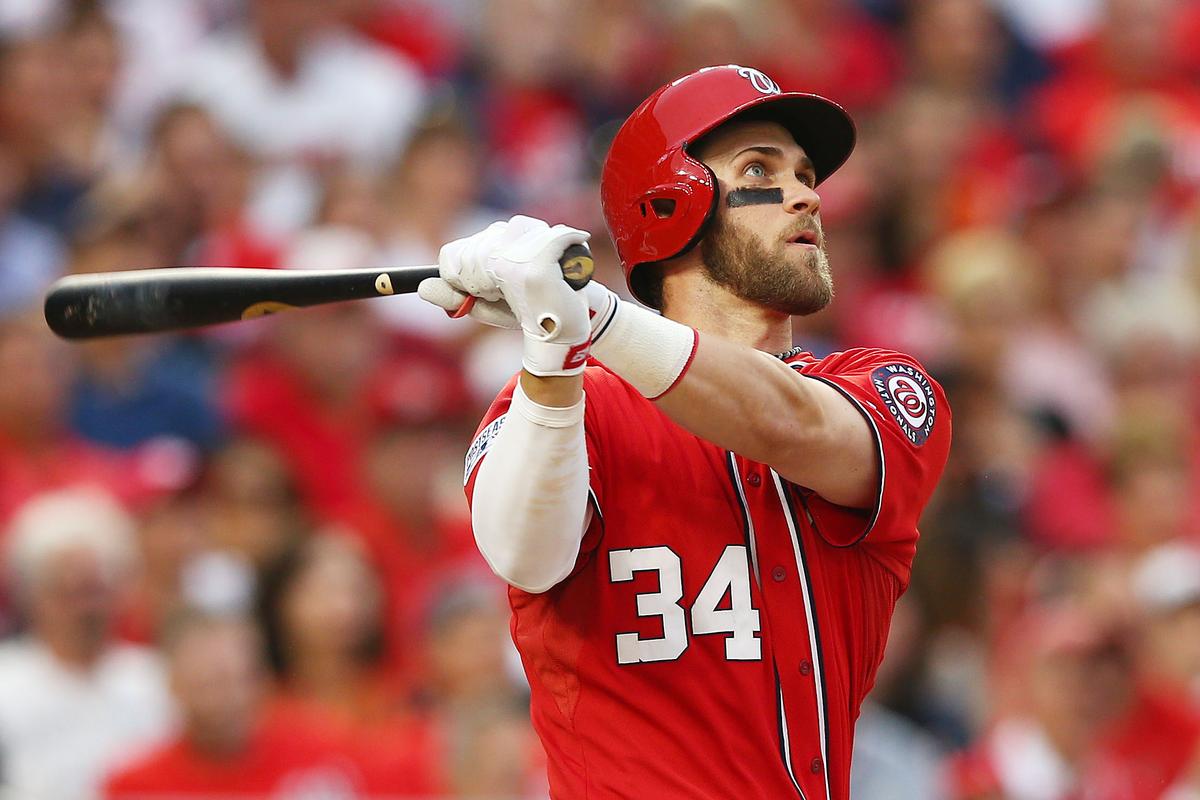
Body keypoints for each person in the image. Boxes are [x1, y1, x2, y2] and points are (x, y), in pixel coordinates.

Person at [418, 64, 952, 799]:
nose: (806, 195)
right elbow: (523, 554)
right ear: (672, 204)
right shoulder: (571, 400)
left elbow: (790, 422)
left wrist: (590, 318)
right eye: (760, 169)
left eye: (806, 174)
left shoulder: (885, 387)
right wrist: (551, 350)